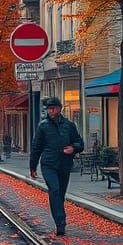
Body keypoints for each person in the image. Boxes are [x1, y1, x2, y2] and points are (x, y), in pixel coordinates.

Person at [29, 96, 83, 236]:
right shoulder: (43, 125)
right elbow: (36, 146)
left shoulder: (69, 125)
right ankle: (60, 222)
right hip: (48, 163)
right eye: (49, 109)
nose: (52, 111)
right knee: (54, 190)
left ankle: (59, 218)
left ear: (60, 109)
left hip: (65, 164)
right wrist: (32, 166)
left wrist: (73, 148)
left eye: (54, 108)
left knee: (60, 194)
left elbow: (79, 143)